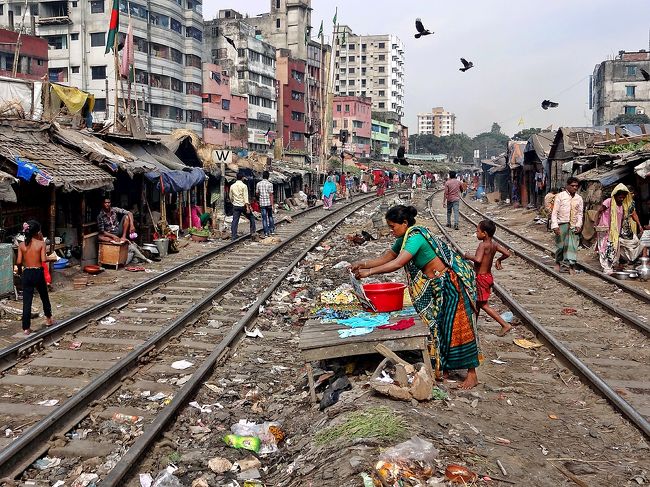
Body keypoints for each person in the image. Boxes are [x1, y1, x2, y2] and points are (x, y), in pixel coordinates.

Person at [351, 205, 481, 389]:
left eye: (393, 226)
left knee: (459, 327)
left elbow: (397, 263)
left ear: (404, 223)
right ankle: (444, 369)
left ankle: (472, 373)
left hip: (450, 285)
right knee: (441, 326)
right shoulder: (403, 238)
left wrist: (369, 272)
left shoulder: (416, 237)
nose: (391, 230)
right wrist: (361, 264)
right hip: (437, 285)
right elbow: (387, 257)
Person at [463, 220, 512, 336]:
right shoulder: (494, 244)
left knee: (482, 304)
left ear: (484, 233)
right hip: (488, 277)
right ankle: (473, 326)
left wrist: (467, 256)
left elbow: (478, 259)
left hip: (481, 278)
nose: (476, 233)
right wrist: (499, 259)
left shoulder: (482, 245)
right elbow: (507, 253)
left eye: (477, 231)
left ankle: (505, 324)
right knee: (477, 302)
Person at [17, 220, 54, 335]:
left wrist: (20, 271)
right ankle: (48, 319)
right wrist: (52, 258)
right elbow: (43, 259)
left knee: (27, 301)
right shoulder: (41, 244)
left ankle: (26, 328)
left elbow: (18, 261)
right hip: (38, 273)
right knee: (44, 296)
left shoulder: (22, 245)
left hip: (27, 272)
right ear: (37, 232)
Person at [594, 184, 641, 274]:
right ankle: (606, 267)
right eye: (620, 194)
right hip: (605, 229)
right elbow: (599, 211)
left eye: (624, 194)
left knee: (613, 248)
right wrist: (595, 224)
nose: (622, 196)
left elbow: (623, 218)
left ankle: (610, 265)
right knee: (605, 248)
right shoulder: (608, 201)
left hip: (616, 231)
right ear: (615, 194)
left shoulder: (623, 205)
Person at [550, 177, 583, 274]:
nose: (574, 188)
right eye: (572, 186)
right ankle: (558, 262)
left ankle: (571, 266)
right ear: (567, 186)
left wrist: (579, 225)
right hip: (562, 224)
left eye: (576, 186)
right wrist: (555, 226)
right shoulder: (560, 196)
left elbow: (580, 213)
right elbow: (554, 212)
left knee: (572, 246)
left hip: (573, 225)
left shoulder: (579, 198)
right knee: (560, 246)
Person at [230, 172, 256, 240]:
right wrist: (247, 207)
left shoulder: (232, 186)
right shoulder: (244, 186)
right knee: (251, 217)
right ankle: (253, 232)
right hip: (243, 205)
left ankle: (233, 235)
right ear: (242, 178)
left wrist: (233, 202)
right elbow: (246, 197)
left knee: (235, 220)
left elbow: (230, 196)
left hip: (235, 205)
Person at [256, 171, 275, 238]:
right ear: (268, 176)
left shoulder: (258, 184)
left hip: (262, 203)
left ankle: (266, 233)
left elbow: (257, 193)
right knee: (270, 216)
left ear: (262, 176)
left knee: (264, 218)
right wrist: (272, 205)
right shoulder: (270, 184)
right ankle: (272, 231)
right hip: (269, 203)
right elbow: (271, 195)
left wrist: (260, 195)